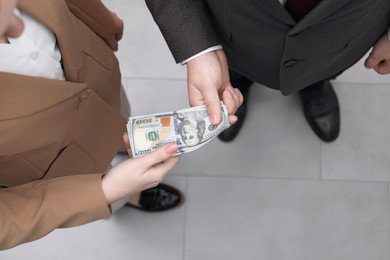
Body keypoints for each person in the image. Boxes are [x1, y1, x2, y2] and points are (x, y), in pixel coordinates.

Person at [0, 0, 183, 250]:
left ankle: (128, 142)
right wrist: (105, 192)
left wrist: (102, 20)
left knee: (122, 120)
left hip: (94, 77)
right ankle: (130, 197)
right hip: (57, 161)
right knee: (108, 180)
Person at [144, 0, 390, 143]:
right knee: (235, 69)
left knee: (322, 68)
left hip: (344, 31)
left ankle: (314, 85)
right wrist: (198, 48)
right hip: (235, 28)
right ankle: (235, 87)